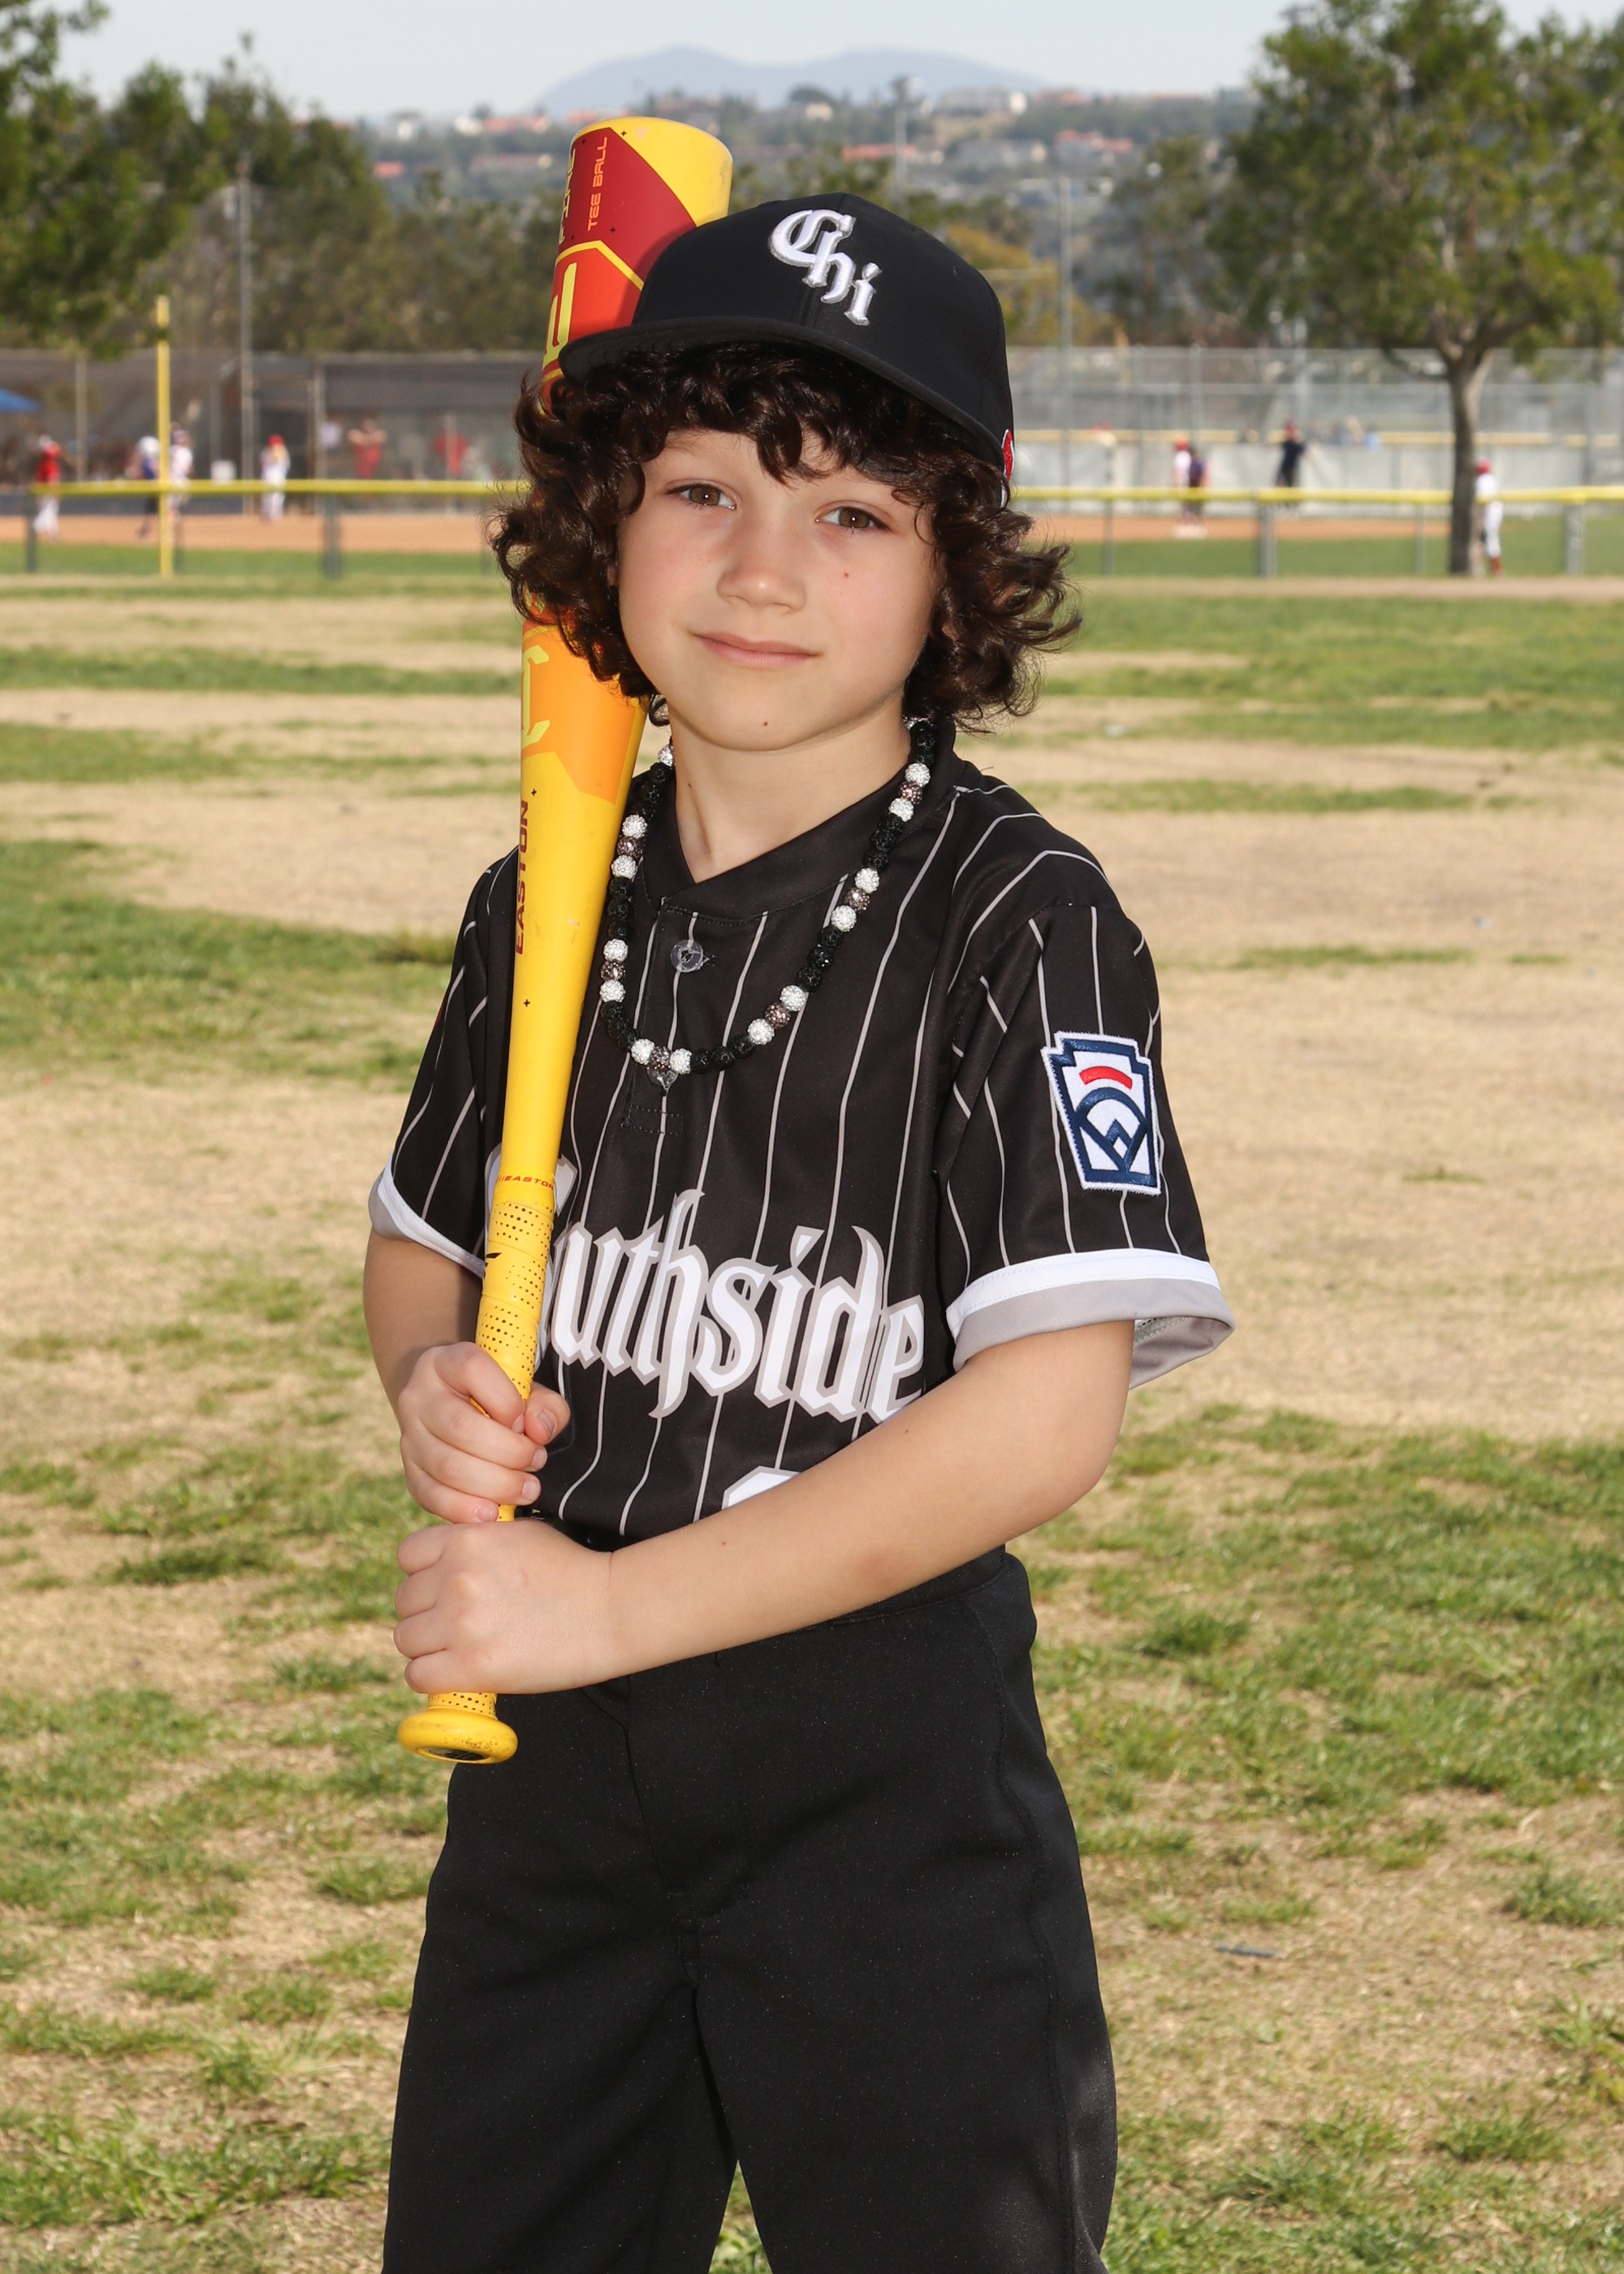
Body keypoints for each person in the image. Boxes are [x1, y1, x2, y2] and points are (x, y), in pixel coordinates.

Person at [365, 194, 1233, 2274]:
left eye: (852, 512)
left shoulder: (1019, 922)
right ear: (604, 521)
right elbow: (421, 1247)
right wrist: (429, 1383)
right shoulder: (542, 897)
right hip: (554, 1780)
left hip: (881, 1778)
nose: (762, 567)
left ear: (956, 574)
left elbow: (1042, 1417)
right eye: (702, 489)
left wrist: (603, 1611)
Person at [1475, 455, 1504, 576]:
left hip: (1489, 514)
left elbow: (1483, 501)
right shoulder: (1492, 479)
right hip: (1496, 513)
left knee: (1488, 540)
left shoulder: (1482, 480)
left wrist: (1479, 518)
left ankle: (1496, 570)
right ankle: (1491, 570)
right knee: (1484, 541)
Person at [31, 433, 62, 538]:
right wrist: (55, 492)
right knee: (48, 513)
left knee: (50, 513)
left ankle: (53, 534)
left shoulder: (41, 465)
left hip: (41, 493)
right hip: (47, 493)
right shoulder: (51, 466)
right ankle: (35, 527)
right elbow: (51, 482)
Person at [258, 433, 290, 521]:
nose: (274, 446)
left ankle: (276, 514)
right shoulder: (265, 452)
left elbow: (286, 466)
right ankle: (266, 514)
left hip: (279, 477)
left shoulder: (284, 452)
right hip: (267, 476)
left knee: (278, 496)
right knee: (266, 496)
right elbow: (261, 465)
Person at [347, 413, 386, 478]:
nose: (369, 427)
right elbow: (352, 437)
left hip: (376, 470)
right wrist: (368, 440)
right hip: (358, 469)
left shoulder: (380, 434)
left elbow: (381, 437)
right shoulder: (354, 434)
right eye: (367, 425)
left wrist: (364, 440)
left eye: (371, 425)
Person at [1274, 418, 1307, 488]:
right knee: (1280, 485)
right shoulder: (1286, 443)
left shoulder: (1297, 444)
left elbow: (1303, 450)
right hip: (1285, 468)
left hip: (1292, 469)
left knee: (1291, 486)